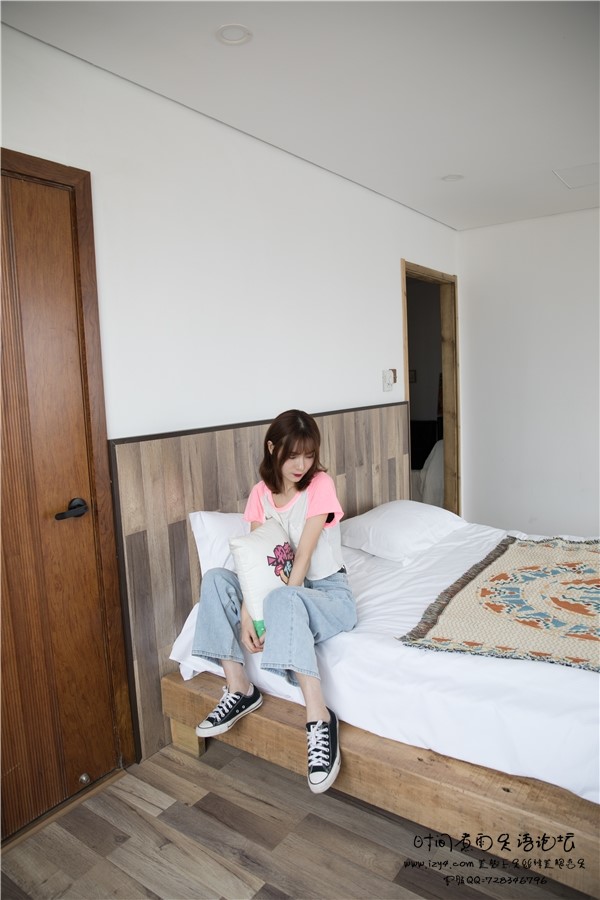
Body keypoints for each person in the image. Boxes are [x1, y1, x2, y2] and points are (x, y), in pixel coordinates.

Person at [191, 409, 357, 793]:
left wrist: (271, 612)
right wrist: (249, 613)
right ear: (272, 448)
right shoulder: (259, 494)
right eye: (293, 455)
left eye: (309, 455)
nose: (302, 465)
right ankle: (239, 688)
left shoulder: (320, 486)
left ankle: (319, 717)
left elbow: (303, 557)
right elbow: (254, 561)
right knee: (216, 578)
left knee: (284, 598)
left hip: (327, 593)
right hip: (279, 590)